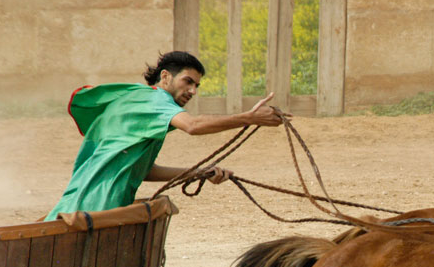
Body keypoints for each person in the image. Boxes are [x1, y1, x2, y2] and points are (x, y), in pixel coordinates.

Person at [45, 51, 284, 220]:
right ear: (166, 76)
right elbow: (192, 125)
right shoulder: (154, 99)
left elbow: (144, 170)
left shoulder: (138, 99)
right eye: (188, 81)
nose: (192, 91)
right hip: (95, 208)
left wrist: (199, 172)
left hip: (82, 205)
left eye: (196, 86)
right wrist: (250, 118)